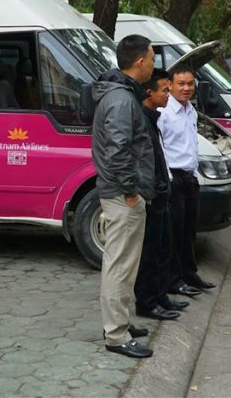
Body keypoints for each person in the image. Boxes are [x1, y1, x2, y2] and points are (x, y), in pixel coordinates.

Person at [91, 34, 156, 359]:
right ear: (140, 61)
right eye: (153, 59)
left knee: (125, 264)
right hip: (122, 195)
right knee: (119, 265)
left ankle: (120, 323)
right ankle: (116, 336)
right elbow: (118, 153)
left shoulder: (121, 94)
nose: (154, 65)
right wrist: (131, 191)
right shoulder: (121, 100)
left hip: (121, 192)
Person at [134, 69, 188, 322]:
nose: (169, 95)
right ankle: (147, 302)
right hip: (151, 193)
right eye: (165, 90)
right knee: (150, 251)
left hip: (162, 189)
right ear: (149, 92)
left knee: (164, 247)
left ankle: (160, 295)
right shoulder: (141, 118)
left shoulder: (153, 117)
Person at [159, 64, 214, 299]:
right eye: (181, 84)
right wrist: (168, 180)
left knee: (189, 230)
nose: (186, 88)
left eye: (190, 84)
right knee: (174, 232)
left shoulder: (191, 110)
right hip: (174, 178)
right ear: (170, 85)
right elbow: (159, 147)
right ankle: (173, 280)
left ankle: (189, 274)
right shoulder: (164, 112)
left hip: (191, 177)